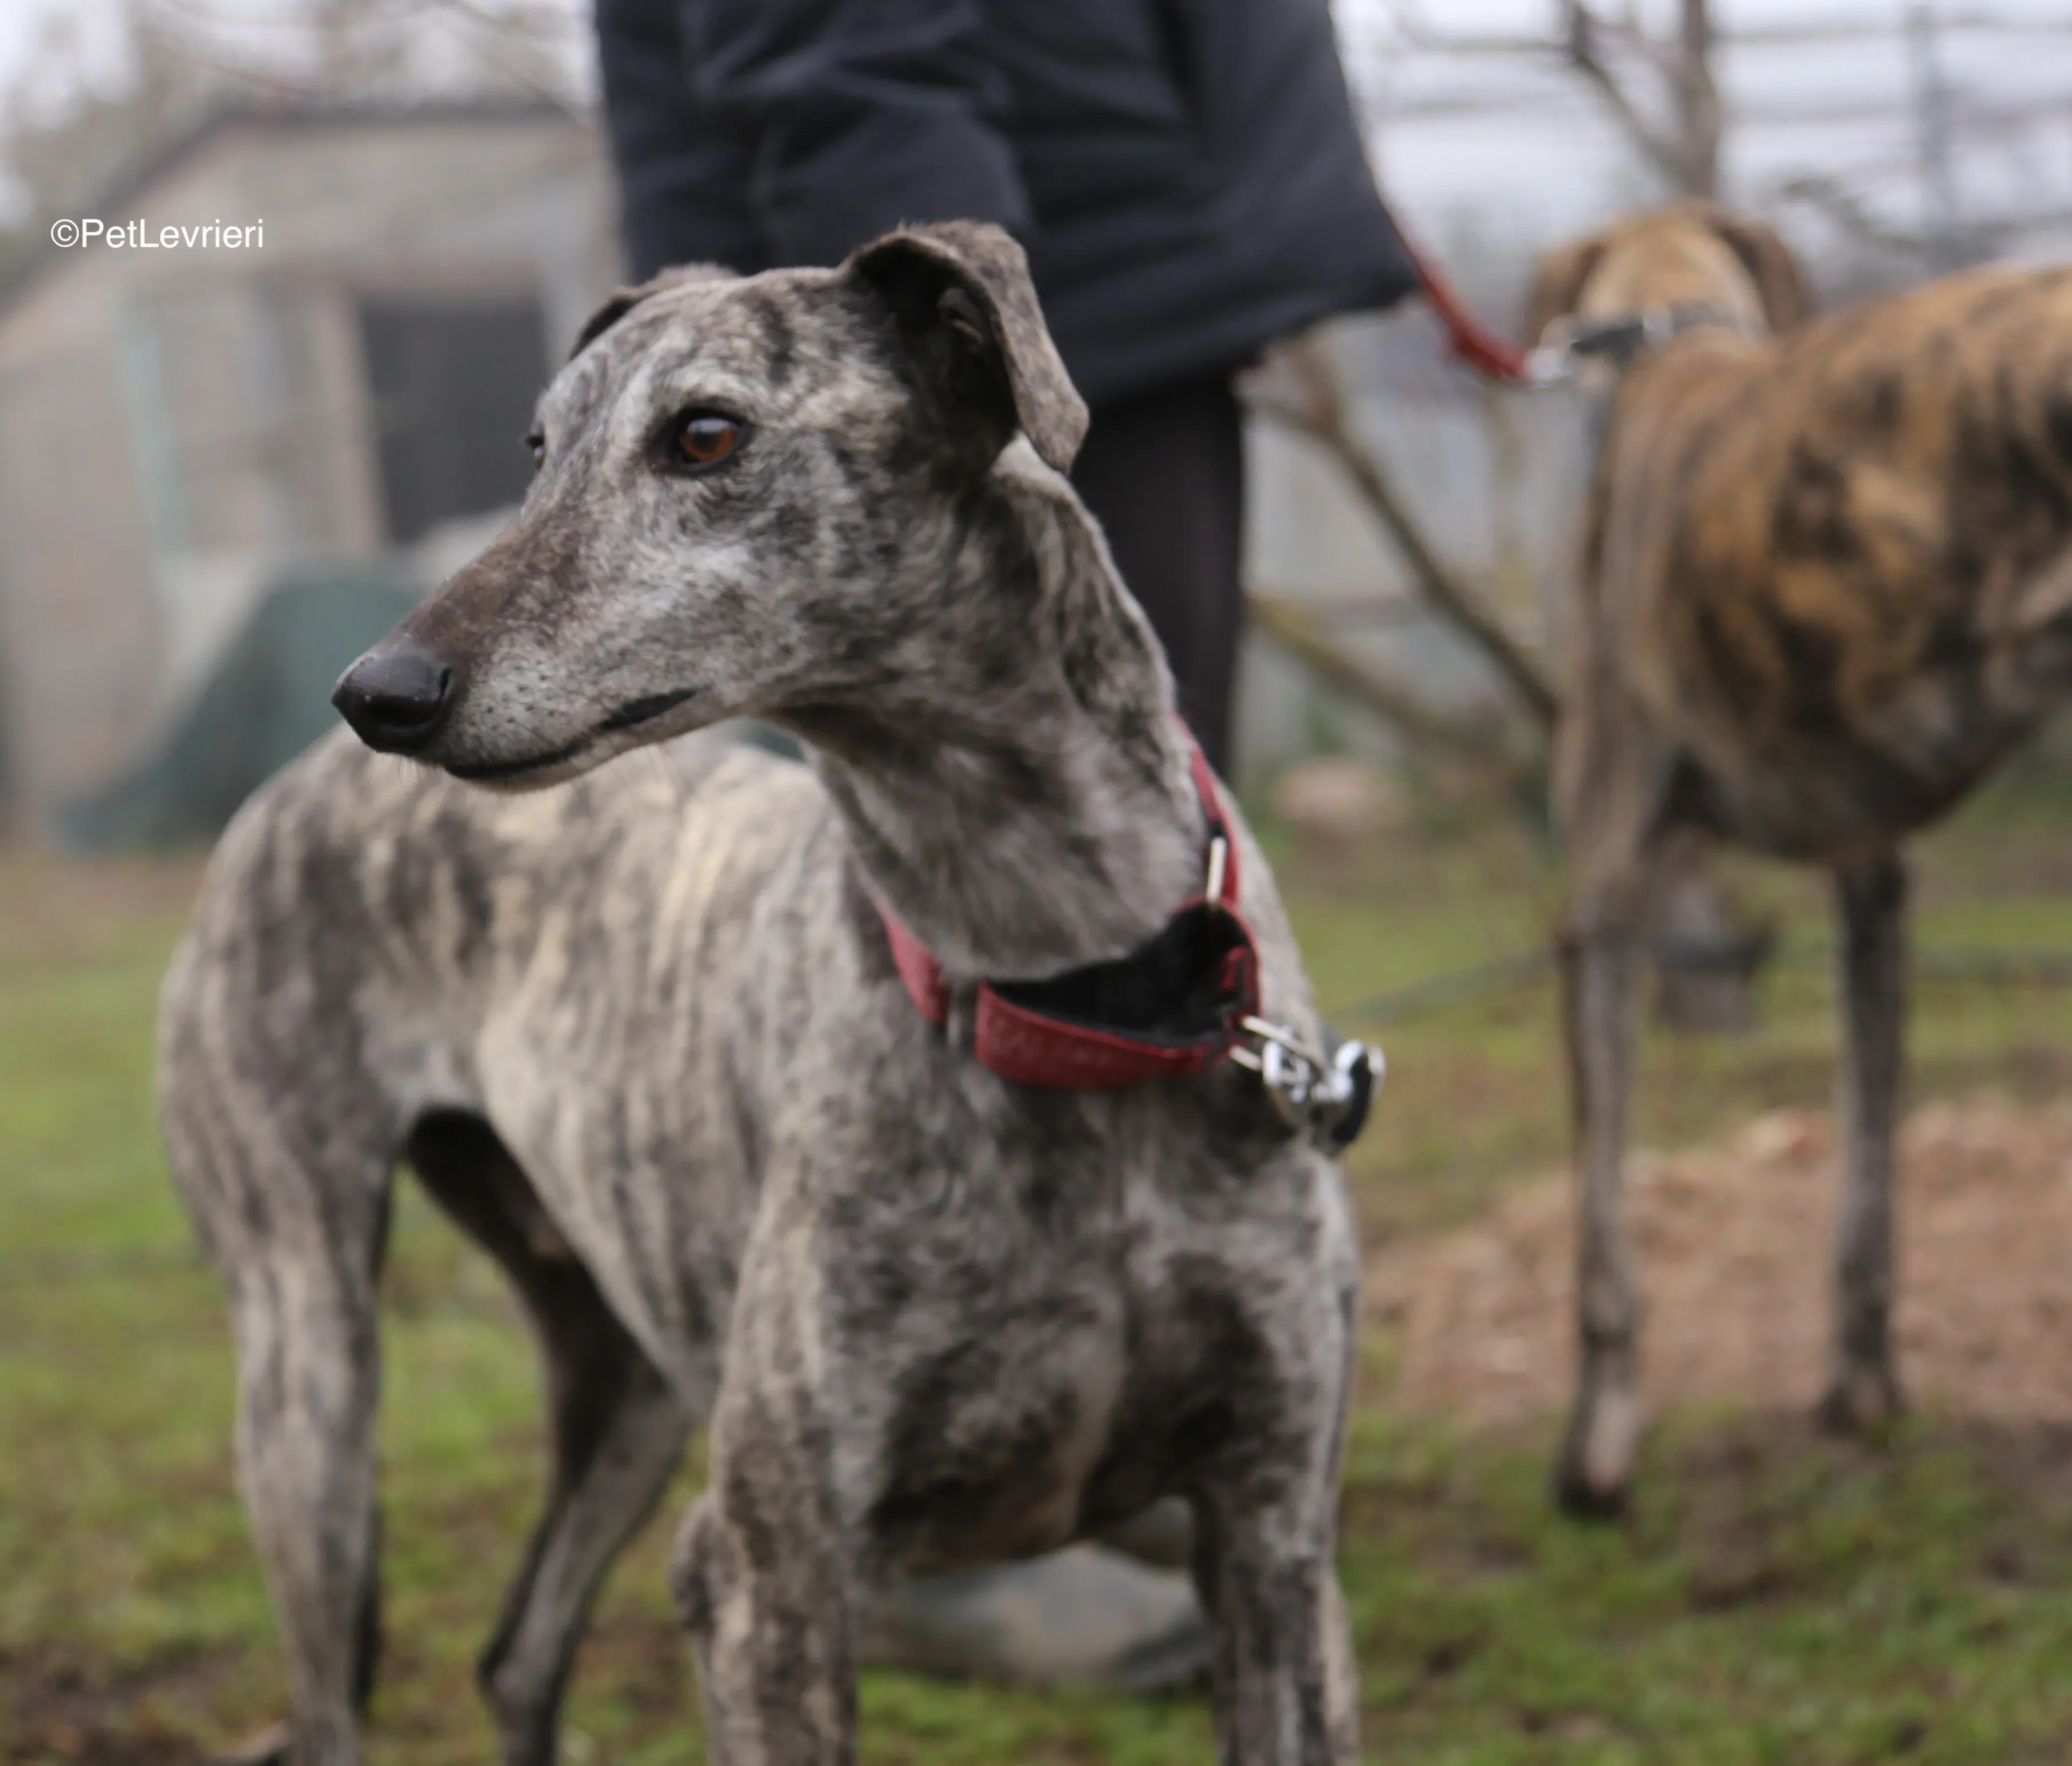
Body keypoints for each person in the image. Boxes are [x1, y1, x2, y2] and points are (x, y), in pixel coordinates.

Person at [591, 0, 1419, 1688]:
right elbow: (838, 39)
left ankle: (1121, 1399)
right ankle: (907, 1485)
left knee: (1139, 877)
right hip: (979, 286)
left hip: (1130, 243)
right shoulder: (929, 371)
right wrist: (948, 370)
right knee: (979, 894)